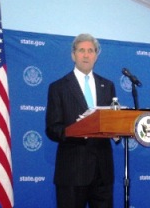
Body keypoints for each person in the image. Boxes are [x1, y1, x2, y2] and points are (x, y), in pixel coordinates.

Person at [45, 33, 116, 208]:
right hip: (72, 172)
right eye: (81, 50)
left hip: (102, 172)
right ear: (73, 55)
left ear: (96, 56)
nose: (86, 55)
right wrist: (79, 130)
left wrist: (116, 131)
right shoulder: (58, 87)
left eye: (91, 51)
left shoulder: (108, 86)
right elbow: (53, 128)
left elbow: (112, 120)